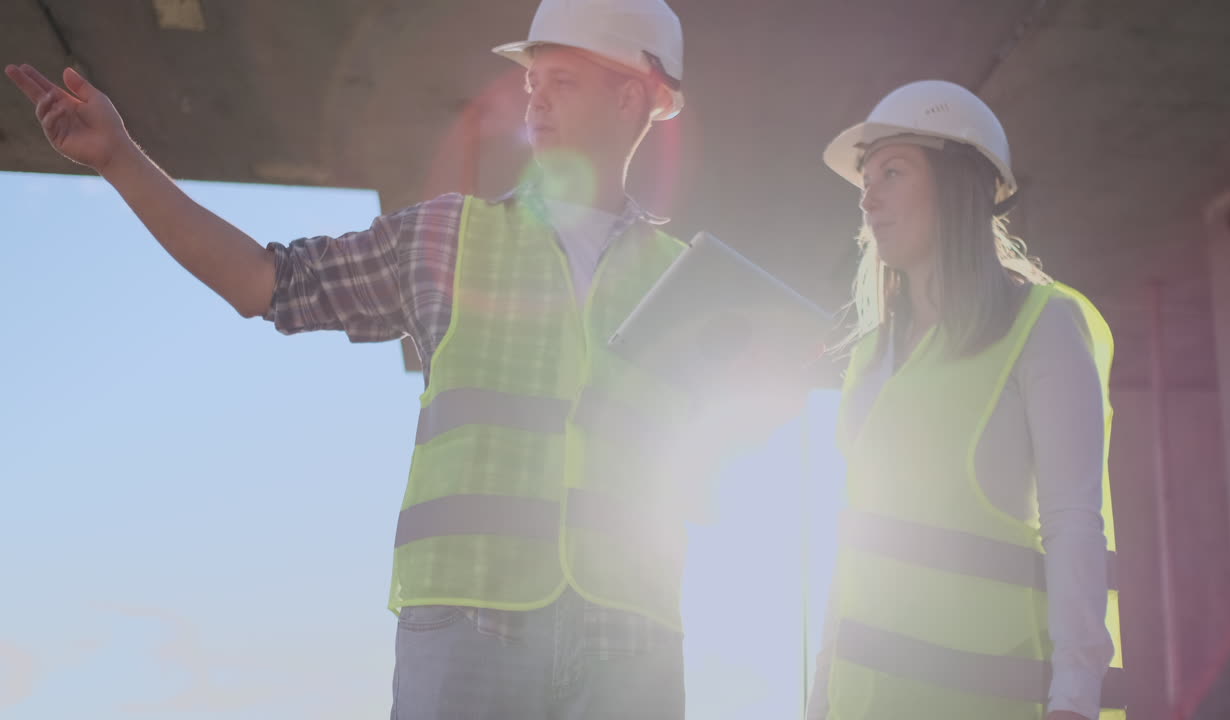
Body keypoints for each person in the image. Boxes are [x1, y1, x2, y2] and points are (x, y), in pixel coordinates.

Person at [4, 1, 748, 717]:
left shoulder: (687, 279)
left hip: (632, 636)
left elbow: (716, 448)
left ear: (633, 100)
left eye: (563, 82)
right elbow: (265, 282)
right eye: (531, 83)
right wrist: (120, 159)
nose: (535, 104)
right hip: (468, 624)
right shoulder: (446, 239)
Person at [806, 80, 1126, 720]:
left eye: (892, 172)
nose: (868, 198)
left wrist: (1075, 699)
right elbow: (854, 555)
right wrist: (817, 702)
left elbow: (1073, 527)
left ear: (958, 187)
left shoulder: (1043, 328)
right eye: (865, 179)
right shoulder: (870, 357)